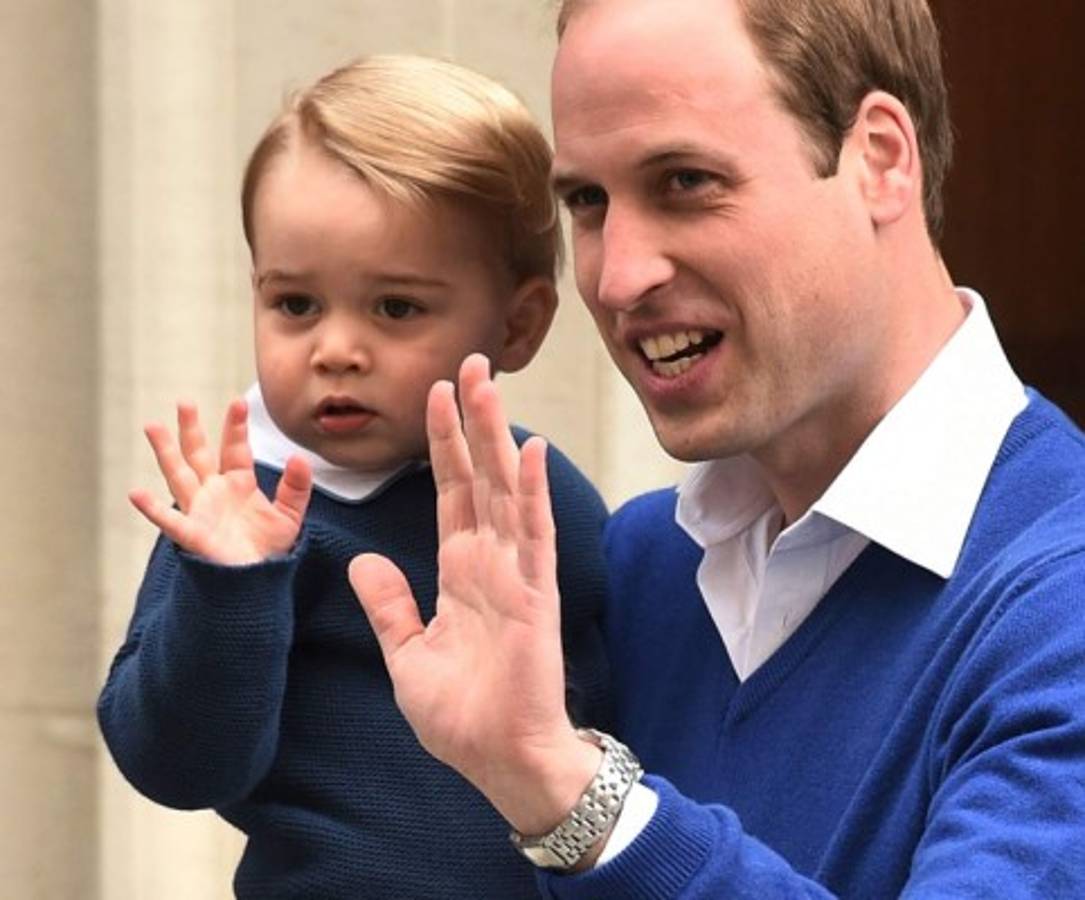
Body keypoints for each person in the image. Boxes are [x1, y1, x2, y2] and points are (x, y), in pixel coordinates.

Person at [349, 1, 1085, 896]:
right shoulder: (637, 565)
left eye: (685, 182)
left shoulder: (1057, 602)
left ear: (879, 159)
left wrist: (575, 800)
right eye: (587, 201)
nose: (618, 278)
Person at [96, 54, 611, 899]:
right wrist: (231, 587)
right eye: (295, 304)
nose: (334, 349)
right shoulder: (244, 521)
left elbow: (628, 728)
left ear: (516, 326)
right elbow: (176, 768)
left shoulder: (543, 499)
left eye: (395, 307)